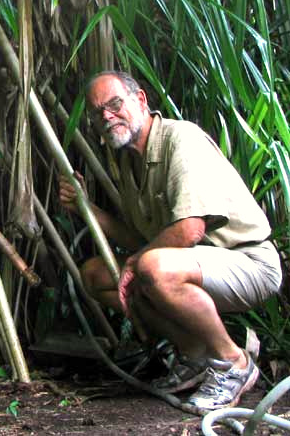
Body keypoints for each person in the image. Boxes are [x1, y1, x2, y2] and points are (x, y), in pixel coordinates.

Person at [58, 71, 282, 410]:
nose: (106, 116)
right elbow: (141, 237)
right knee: (96, 274)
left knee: (150, 265)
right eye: (97, 111)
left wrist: (137, 261)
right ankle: (194, 355)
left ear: (141, 100)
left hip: (248, 262)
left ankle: (233, 362)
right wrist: (84, 207)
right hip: (193, 265)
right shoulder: (129, 160)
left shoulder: (181, 140)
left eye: (115, 104)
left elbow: (190, 229)